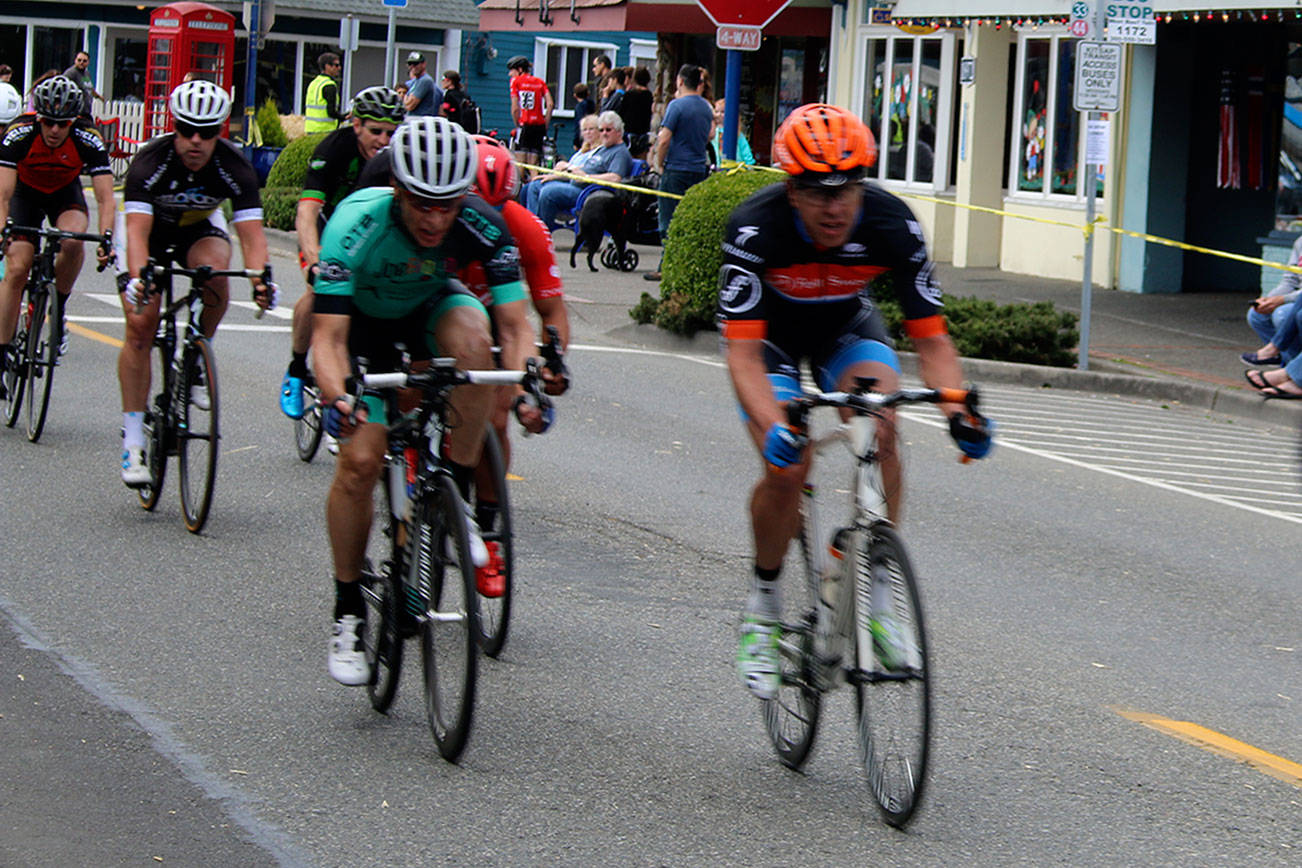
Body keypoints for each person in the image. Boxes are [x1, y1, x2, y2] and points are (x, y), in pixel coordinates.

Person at [719, 103, 993, 699]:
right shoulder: (754, 228)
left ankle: (872, 588)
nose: (834, 205)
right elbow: (742, 358)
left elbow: (934, 341)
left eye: (846, 188)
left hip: (847, 329)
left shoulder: (893, 223)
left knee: (884, 428)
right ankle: (764, 607)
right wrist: (774, 429)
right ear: (791, 190)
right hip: (770, 344)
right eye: (817, 191)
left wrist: (958, 413)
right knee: (787, 466)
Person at [310, 117, 538, 684]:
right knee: (360, 461)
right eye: (422, 205)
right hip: (362, 323)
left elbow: (515, 324)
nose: (437, 219)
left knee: (477, 343)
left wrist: (528, 377)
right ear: (399, 191)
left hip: (427, 309)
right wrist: (339, 397)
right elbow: (328, 339)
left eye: (448, 205)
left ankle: (451, 491)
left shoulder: (481, 223)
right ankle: (346, 611)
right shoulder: (355, 224)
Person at [115, 80, 277, 486]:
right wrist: (138, 280)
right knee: (140, 325)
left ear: (221, 131)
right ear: (175, 126)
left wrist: (262, 281)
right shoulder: (150, 163)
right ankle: (133, 440)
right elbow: (135, 233)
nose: (195, 141)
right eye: (186, 129)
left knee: (217, 275)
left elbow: (252, 238)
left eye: (207, 133)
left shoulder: (234, 166)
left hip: (197, 229)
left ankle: (193, 359)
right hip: (149, 234)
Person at [464, 135, 571, 551]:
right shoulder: (438, 218)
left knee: (495, 415)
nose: (485, 220)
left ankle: (487, 525)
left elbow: (551, 312)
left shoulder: (526, 227)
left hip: (496, 314)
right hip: (440, 304)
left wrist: (551, 366)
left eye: (497, 208)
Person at [279, 86, 405, 420]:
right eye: (375, 131)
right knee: (319, 289)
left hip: (368, 231)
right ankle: (295, 368)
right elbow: (307, 211)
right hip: (327, 227)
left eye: (391, 133)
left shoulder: (399, 156)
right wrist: (313, 258)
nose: (383, 140)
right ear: (356, 124)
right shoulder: (334, 149)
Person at [0, 75, 114, 395]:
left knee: (73, 239)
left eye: (61, 124)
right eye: (48, 122)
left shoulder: (88, 139)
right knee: (18, 267)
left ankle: (59, 309)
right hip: (24, 195)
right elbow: (3, 195)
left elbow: (106, 198)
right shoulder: (19, 134)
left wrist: (107, 238)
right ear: (38, 117)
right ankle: (1, 351)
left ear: (73, 122)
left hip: (64, 193)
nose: (54, 130)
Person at [647, 64, 713, 282]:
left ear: (680, 81)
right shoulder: (706, 107)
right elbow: (710, 135)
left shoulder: (676, 106)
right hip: (697, 168)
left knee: (667, 219)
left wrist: (659, 162)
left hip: (676, 167)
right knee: (689, 218)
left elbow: (664, 138)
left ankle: (666, 265)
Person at [530, 110, 630, 233]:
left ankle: (542, 234)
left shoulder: (620, 152)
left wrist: (587, 176)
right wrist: (555, 176)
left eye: (608, 130)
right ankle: (531, 228)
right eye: (601, 130)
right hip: (576, 184)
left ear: (619, 132)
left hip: (589, 192)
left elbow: (615, 178)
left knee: (548, 192)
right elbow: (581, 169)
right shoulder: (604, 149)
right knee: (534, 186)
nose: (604, 134)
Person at [522, 113, 600, 216]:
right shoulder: (582, 151)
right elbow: (568, 169)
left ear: (599, 131)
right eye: (585, 130)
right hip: (566, 179)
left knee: (544, 190)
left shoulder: (599, 151)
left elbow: (584, 170)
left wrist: (565, 168)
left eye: (591, 129)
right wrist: (552, 175)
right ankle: (530, 222)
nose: (588, 133)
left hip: (580, 186)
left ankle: (539, 226)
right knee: (529, 187)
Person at [1243, 234, 1302, 366]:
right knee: (1256, 315)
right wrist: (1269, 299)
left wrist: (1282, 300)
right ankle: (1285, 360)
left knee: (1282, 315)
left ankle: (1292, 371)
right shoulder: (1300, 242)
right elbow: (1290, 280)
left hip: (1298, 300)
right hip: (1296, 297)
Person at [507, 55, 553, 180]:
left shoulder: (515, 82)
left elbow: (515, 107)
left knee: (520, 163)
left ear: (520, 69)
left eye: (512, 70)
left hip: (525, 125)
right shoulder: (540, 82)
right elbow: (550, 104)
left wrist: (517, 124)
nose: (510, 74)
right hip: (539, 126)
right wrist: (545, 124)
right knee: (534, 164)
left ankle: (519, 194)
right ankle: (535, 190)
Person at [304, 52, 343, 134]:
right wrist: (343, 117)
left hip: (311, 129)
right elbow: (331, 112)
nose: (339, 68)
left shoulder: (314, 83)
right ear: (327, 66)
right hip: (325, 130)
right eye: (336, 65)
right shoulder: (329, 85)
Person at [709, 97, 755, 167]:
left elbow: (746, 154)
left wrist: (749, 166)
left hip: (736, 168)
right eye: (716, 111)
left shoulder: (737, 134)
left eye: (723, 112)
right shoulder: (712, 132)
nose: (718, 115)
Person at [62, 51, 102, 120]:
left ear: (88, 62)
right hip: (74, 112)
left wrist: (98, 96)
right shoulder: (71, 73)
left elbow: (89, 87)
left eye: (84, 61)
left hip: (85, 111)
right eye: (79, 60)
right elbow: (62, 88)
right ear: (75, 60)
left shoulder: (86, 73)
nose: (81, 62)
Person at [620, 67, 654, 143]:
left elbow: (622, 112)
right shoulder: (649, 96)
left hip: (629, 131)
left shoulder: (629, 94)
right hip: (643, 132)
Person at [403, 52, 442, 118]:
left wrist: (407, 99)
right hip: (412, 120)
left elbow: (410, 106)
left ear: (424, 64)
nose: (412, 67)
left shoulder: (425, 80)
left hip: (421, 121)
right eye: (410, 64)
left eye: (415, 64)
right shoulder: (415, 81)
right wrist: (407, 100)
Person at [571, 82, 596, 150]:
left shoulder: (579, 107)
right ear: (588, 93)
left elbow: (578, 124)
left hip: (582, 138)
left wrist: (576, 142)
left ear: (575, 95)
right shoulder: (592, 104)